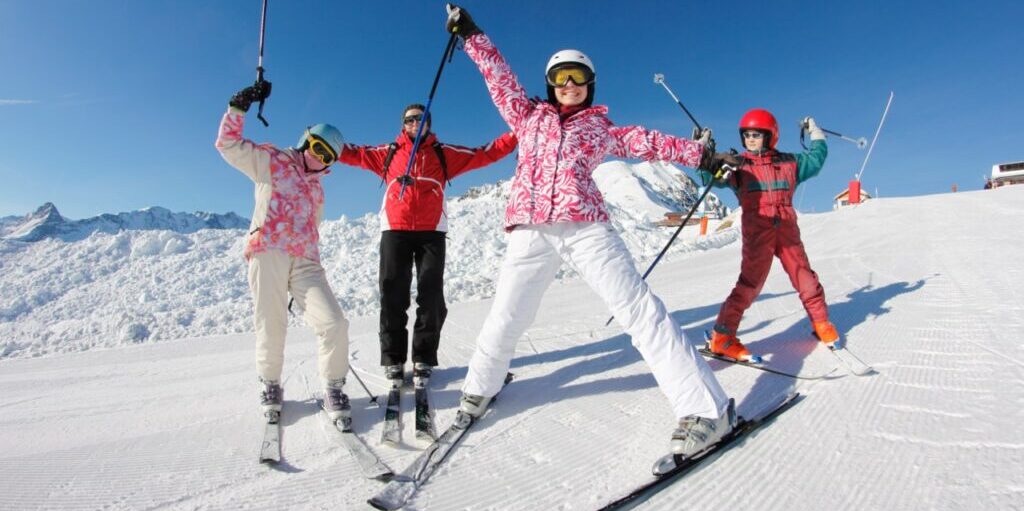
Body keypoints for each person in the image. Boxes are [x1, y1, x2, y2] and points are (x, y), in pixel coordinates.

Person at [444, 4, 738, 457]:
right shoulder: (527, 116)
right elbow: (498, 78)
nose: (569, 86)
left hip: (585, 226)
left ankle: (706, 408)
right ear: (550, 84)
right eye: (561, 78)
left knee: (637, 309)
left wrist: (702, 157)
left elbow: (648, 141)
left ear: (590, 84)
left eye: (577, 78)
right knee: (507, 314)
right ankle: (480, 387)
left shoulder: (599, 129)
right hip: (530, 228)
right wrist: (472, 36)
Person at [338, 105, 516, 390]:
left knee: (431, 297)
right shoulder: (389, 152)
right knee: (392, 294)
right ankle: (393, 360)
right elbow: (353, 154)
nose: (415, 123)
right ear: (403, 124)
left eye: (420, 119)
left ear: (429, 124)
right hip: (395, 230)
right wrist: (323, 141)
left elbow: (485, 154)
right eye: (409, 119)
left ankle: (423, 358)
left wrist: (519, 132)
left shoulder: (444, 154)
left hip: (431, 232)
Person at [215, 80, 352, 426]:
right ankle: (271, 384)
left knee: (334, 322)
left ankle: (333, 387)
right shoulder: (271, 161)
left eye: (327, 157)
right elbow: (228, 145)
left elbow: (313, 228)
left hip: (306, 262)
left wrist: (300, 276)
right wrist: (237, 107)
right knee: (271, 324)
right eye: (317, 148)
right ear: (306, 141)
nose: (319, 159)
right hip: (268, 252)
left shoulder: (318, 191)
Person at [700, 109, 839, 362]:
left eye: (757, 135)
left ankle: (821, 322)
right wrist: (701, 151)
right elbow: (709, 178)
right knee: (749, 286)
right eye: (747, 135)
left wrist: (816, 134)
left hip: (787, 231)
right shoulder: (738, 166)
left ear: (770, 136)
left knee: (805, 278)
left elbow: (816, 160)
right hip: (758, 233)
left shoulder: (789, 163)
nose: (751, 139)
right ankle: (723, 337)